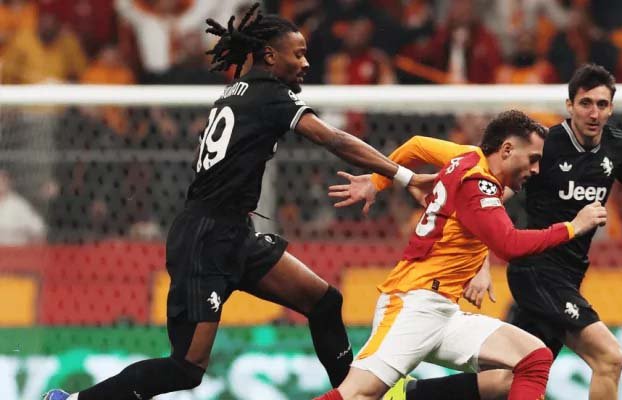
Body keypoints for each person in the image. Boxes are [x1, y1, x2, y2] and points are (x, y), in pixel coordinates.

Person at [42, 4, 431, 400]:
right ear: (270, 55)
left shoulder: (235, 92)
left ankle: (356, 395)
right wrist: (404, 175)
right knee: (186, 368)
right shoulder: (269, 94)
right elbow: (333, 139)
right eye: (298, 54)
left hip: (234, 233)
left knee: (324, 301)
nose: (306, 63)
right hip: (207, 239)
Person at [333, 64, 622, 400]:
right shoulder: (542, 147)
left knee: (511, 376)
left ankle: (408, 394)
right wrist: (483, 264)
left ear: (612, 108)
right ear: (569, 106)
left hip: (565, 275)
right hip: (536, 272)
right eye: (585, 103)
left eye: (602, 104)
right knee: (609, 358)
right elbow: (487, 210)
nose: (593, 113)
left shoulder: (617, 147)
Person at [316, 110, 609, 400]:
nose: (536, 169)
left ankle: (405, 396)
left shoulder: (468, 156)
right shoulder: (478, 185)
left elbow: (416, 145)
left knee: (533, 357)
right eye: (533, 159)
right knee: (356, 394)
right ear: (507, 149)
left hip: (443, 311)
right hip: (413, 305)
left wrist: (378, 181)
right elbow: (509, 244)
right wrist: (572, 227)